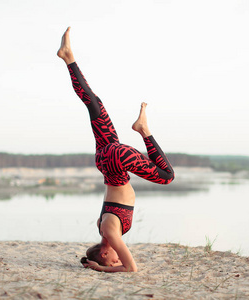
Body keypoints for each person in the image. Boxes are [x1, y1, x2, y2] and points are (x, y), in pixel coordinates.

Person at [57, 27, 175, 272]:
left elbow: (131, 270)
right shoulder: (101, 226)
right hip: (105, 159)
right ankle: (69, 58)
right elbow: (116, 258)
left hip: (117, 162)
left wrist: (100, 268)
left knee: (167, 177)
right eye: (116, 262)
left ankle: (144, 130)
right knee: (94, 104)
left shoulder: (110, 232)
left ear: (104, 252)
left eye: (113, 259)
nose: (118, 259)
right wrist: (94, 262)